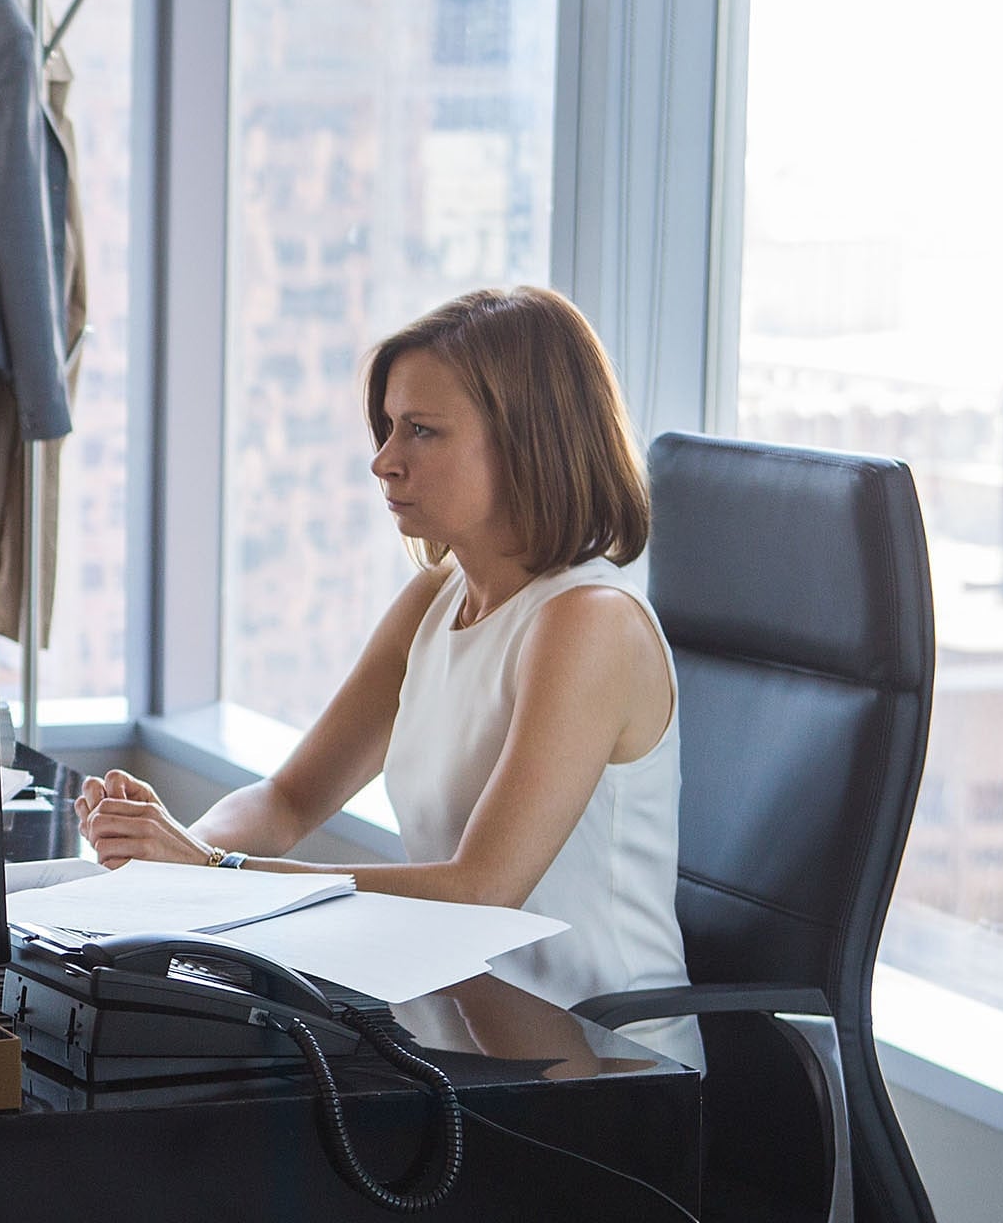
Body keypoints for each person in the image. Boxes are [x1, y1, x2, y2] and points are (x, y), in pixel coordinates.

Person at [77, 286, 697, 1063]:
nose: (383, 460)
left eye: (422, 431)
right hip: (467, 1040)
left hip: (605, 1069)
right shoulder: (436, 597)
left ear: (526, 441)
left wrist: (214, 873)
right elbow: (286, 801)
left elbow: (482, 891)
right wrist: (163, 858)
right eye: (389, 426)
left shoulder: (589, 622)